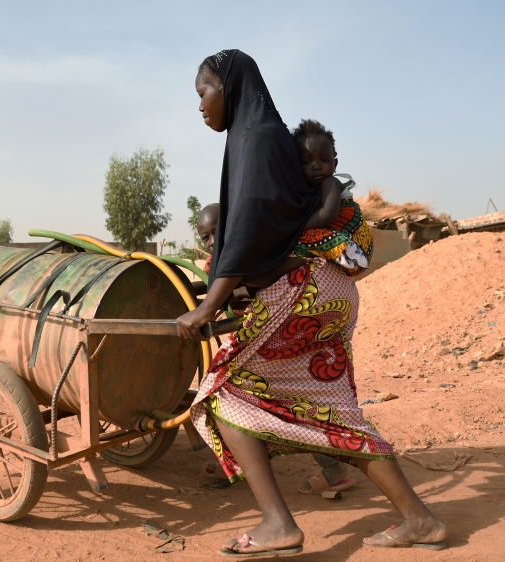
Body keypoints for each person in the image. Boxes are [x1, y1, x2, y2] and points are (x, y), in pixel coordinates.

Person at [177, 49, 446, 556]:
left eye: (203, 92)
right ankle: (418, 518)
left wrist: (207, 308)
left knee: (223, 390)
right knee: (331, 408)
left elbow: (249, 231)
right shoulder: (267, 135)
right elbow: (273, 226)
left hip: (303, 289)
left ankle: (278, 523)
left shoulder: (256, 141)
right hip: (326, 285)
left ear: (228, 87)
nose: (200, 105)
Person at [195, 202, 355, 492]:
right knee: (289, 397)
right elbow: (219, 290)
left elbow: (263, 285)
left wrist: (228, 297)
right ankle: (241, 460)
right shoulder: (218, 262)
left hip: (286, 330)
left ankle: (329, 467)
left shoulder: (252, 249)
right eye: (206, 237)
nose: (213, 241)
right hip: (283, 332)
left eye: (219, 231)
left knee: (233, 388)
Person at [290, 119, 373, 277]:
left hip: (355, 247)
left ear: (335, 163)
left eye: (324, 160)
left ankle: (266, 278)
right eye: (307, 161)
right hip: (344, 250)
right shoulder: (306, 191)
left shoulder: (331, 182)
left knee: (299, 242)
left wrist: (293, 229)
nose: (316, 166)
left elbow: (328, 214)